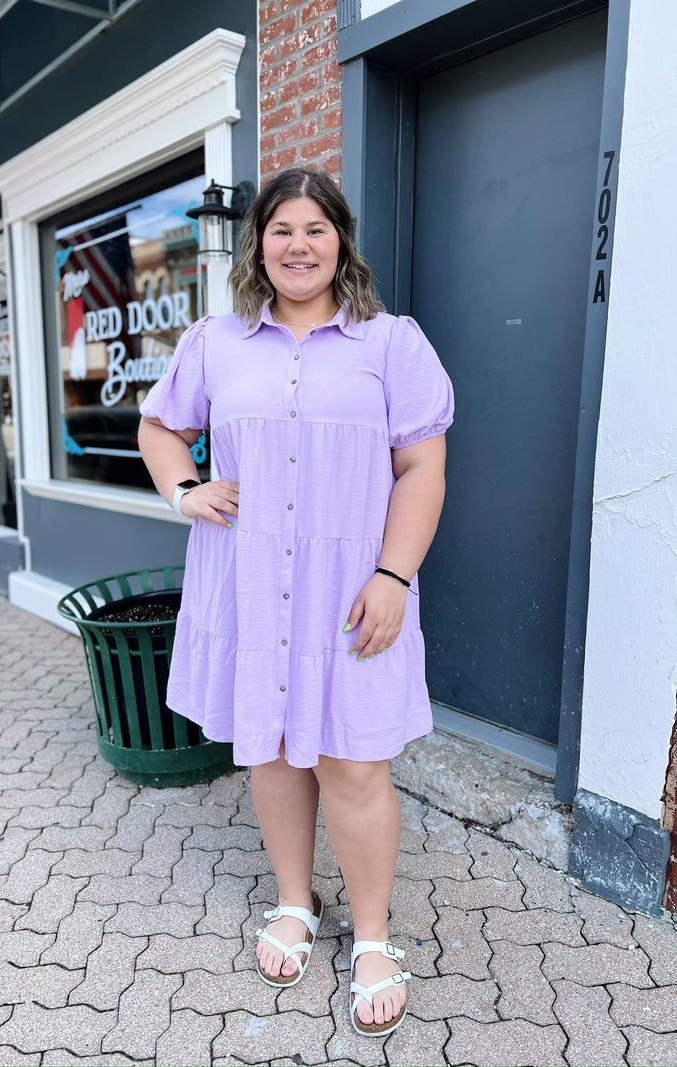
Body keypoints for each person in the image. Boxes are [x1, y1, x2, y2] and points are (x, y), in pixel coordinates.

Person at [138, 167, 453, 1037]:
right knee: (272, 752)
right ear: (258, 244)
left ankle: (377, 935)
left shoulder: (391, 344)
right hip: (249, 583)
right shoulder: (217, 341)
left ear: (341, 240)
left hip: (353, 592)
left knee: (354, 762)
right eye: (282, 229)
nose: (299, 245)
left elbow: (421, 468)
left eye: (316, 228)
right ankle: (293, 901)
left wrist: (394, 576)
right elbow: (160, 428)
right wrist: (186, 489)